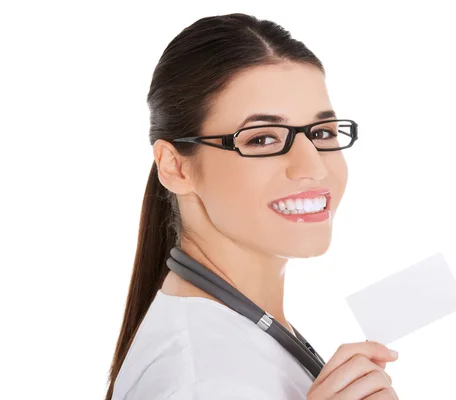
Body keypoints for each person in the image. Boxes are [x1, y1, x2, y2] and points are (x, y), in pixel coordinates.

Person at [105, 12, 399, 400]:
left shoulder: (234, 334)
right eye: (262, 139)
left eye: (322, 132)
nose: (312, 168)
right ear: (176, 167)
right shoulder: (204, 382)